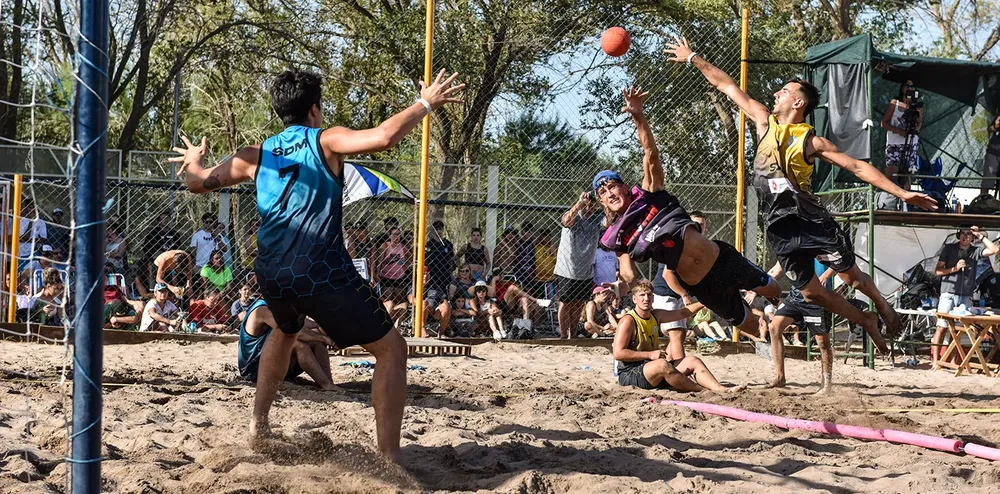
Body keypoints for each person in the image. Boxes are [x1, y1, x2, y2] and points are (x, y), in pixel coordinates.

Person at [171, 67, 463, 461]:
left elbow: (195, 182)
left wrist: (193, 158)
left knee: (286, 331)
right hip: (319, 269)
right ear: (314, 109)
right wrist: (425, 103)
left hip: (271, 270)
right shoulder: (326, 140)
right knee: (392, 349)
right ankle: (390, 462)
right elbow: (385, 136)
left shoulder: (253, 155)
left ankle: (258, 426)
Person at [666, 38, 939, 352]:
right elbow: (726, 85)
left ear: (798, 103)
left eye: (786, 89)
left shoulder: (811, 140)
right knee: (810, 293)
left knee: (850, 277)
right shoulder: (763, 120)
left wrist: (902, 192)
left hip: (809, 218)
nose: (778, 91)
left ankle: (880, 304)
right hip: (779, 225)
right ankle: (864, 319)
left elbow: (857, 166)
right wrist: (693, 58)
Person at [595, 86, 781, 337]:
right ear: (603, 203)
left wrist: (638, 117)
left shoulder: (648, 194)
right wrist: (620, 285)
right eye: (603, 193)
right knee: (756, 330)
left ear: (625, 188)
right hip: (702, 285)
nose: (609, 193)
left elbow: (651, 154)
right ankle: (782, 348)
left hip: (722, 259)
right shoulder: (616, 236)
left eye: (612, 186)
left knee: (775, 292)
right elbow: (628, 273)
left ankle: (799, 315)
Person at [613, 280, 745, 393]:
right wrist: (649, 355)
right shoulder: (628, 321)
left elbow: (682, 313)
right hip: (631, 373)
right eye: (642, 295)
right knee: (662, 365)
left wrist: (705, 303)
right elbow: (618, 353)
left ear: (653, 297)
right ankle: (701, 391)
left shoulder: (655, 315)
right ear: (634, 299)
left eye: (649, 295)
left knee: (693, 360)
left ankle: (720, 389)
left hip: (652, 368)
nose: (646, 299)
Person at [931, 227, 999, 365]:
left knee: (960, 331)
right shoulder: (949, 249)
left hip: (966, 295)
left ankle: (953, 362)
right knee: (942, 327)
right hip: (948, 293)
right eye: (963, 233)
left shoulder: (975, 251)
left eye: (969, 234)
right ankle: (935, 361)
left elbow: (994, 250)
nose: (965, 237)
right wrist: (954, 269)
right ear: (958, 235)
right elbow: (937, 271)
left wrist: (980, 236)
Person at [238, 299, 337, 390]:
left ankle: (328, 383)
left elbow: (309, 325)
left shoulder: (277, 309)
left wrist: (329, 335)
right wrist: (324, 338)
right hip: (253, 372)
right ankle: (326, 384)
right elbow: (293, 332)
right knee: (299, 344)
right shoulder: (262, 311)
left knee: (316, 340)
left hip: (269, 363)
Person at [652, 210, 707, 360]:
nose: (697, 227)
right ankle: (680, 371)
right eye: (694, 224)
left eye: (701, 225)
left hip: (679, 295)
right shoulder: (676, 243)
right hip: (665, 293)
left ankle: (668, 364)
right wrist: (684, 295)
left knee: (680, 334)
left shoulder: (701, 246)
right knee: (676, 333)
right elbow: (667, 275)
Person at [555, 191, 603, 339]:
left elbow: (609, 220)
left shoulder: (596, 220)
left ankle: (573, 335)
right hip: (567, 270)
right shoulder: (574, 217)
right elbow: (566, 220)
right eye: (586, 206)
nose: (588, 208)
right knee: (565, 303)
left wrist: (604, 202)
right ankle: (563, 336)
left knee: (578, 303)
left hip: (586, 271)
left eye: (591, 206)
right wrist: (579, 203)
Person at [880, 80, 924, 200]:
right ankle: (888, 202)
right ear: (902, 88)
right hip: (894, 142)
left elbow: (919, 122)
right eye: (907, 86)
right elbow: (883, 123)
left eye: (912, 86)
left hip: (911, 143)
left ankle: (905, 202)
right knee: (892, 172)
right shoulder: (895, 103)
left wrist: (915, 131)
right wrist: (898, 130)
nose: (910, 88)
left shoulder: (917, 106)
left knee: (906, 173)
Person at [425, 220, 456, 293]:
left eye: (440, 229)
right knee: (432, 292)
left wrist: (451, 269)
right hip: (432, 273)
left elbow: (452, 258)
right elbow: (426, 259)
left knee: (445, 292)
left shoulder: (448, 244)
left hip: (445, 273)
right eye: (436, 229)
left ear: (443, 230)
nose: (438, 231)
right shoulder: (429, 244)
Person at [982, 112, 1000, 197]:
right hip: (993, 152)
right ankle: (983, 201)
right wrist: (996, 127)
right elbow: (990, 128)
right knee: (988, 178)